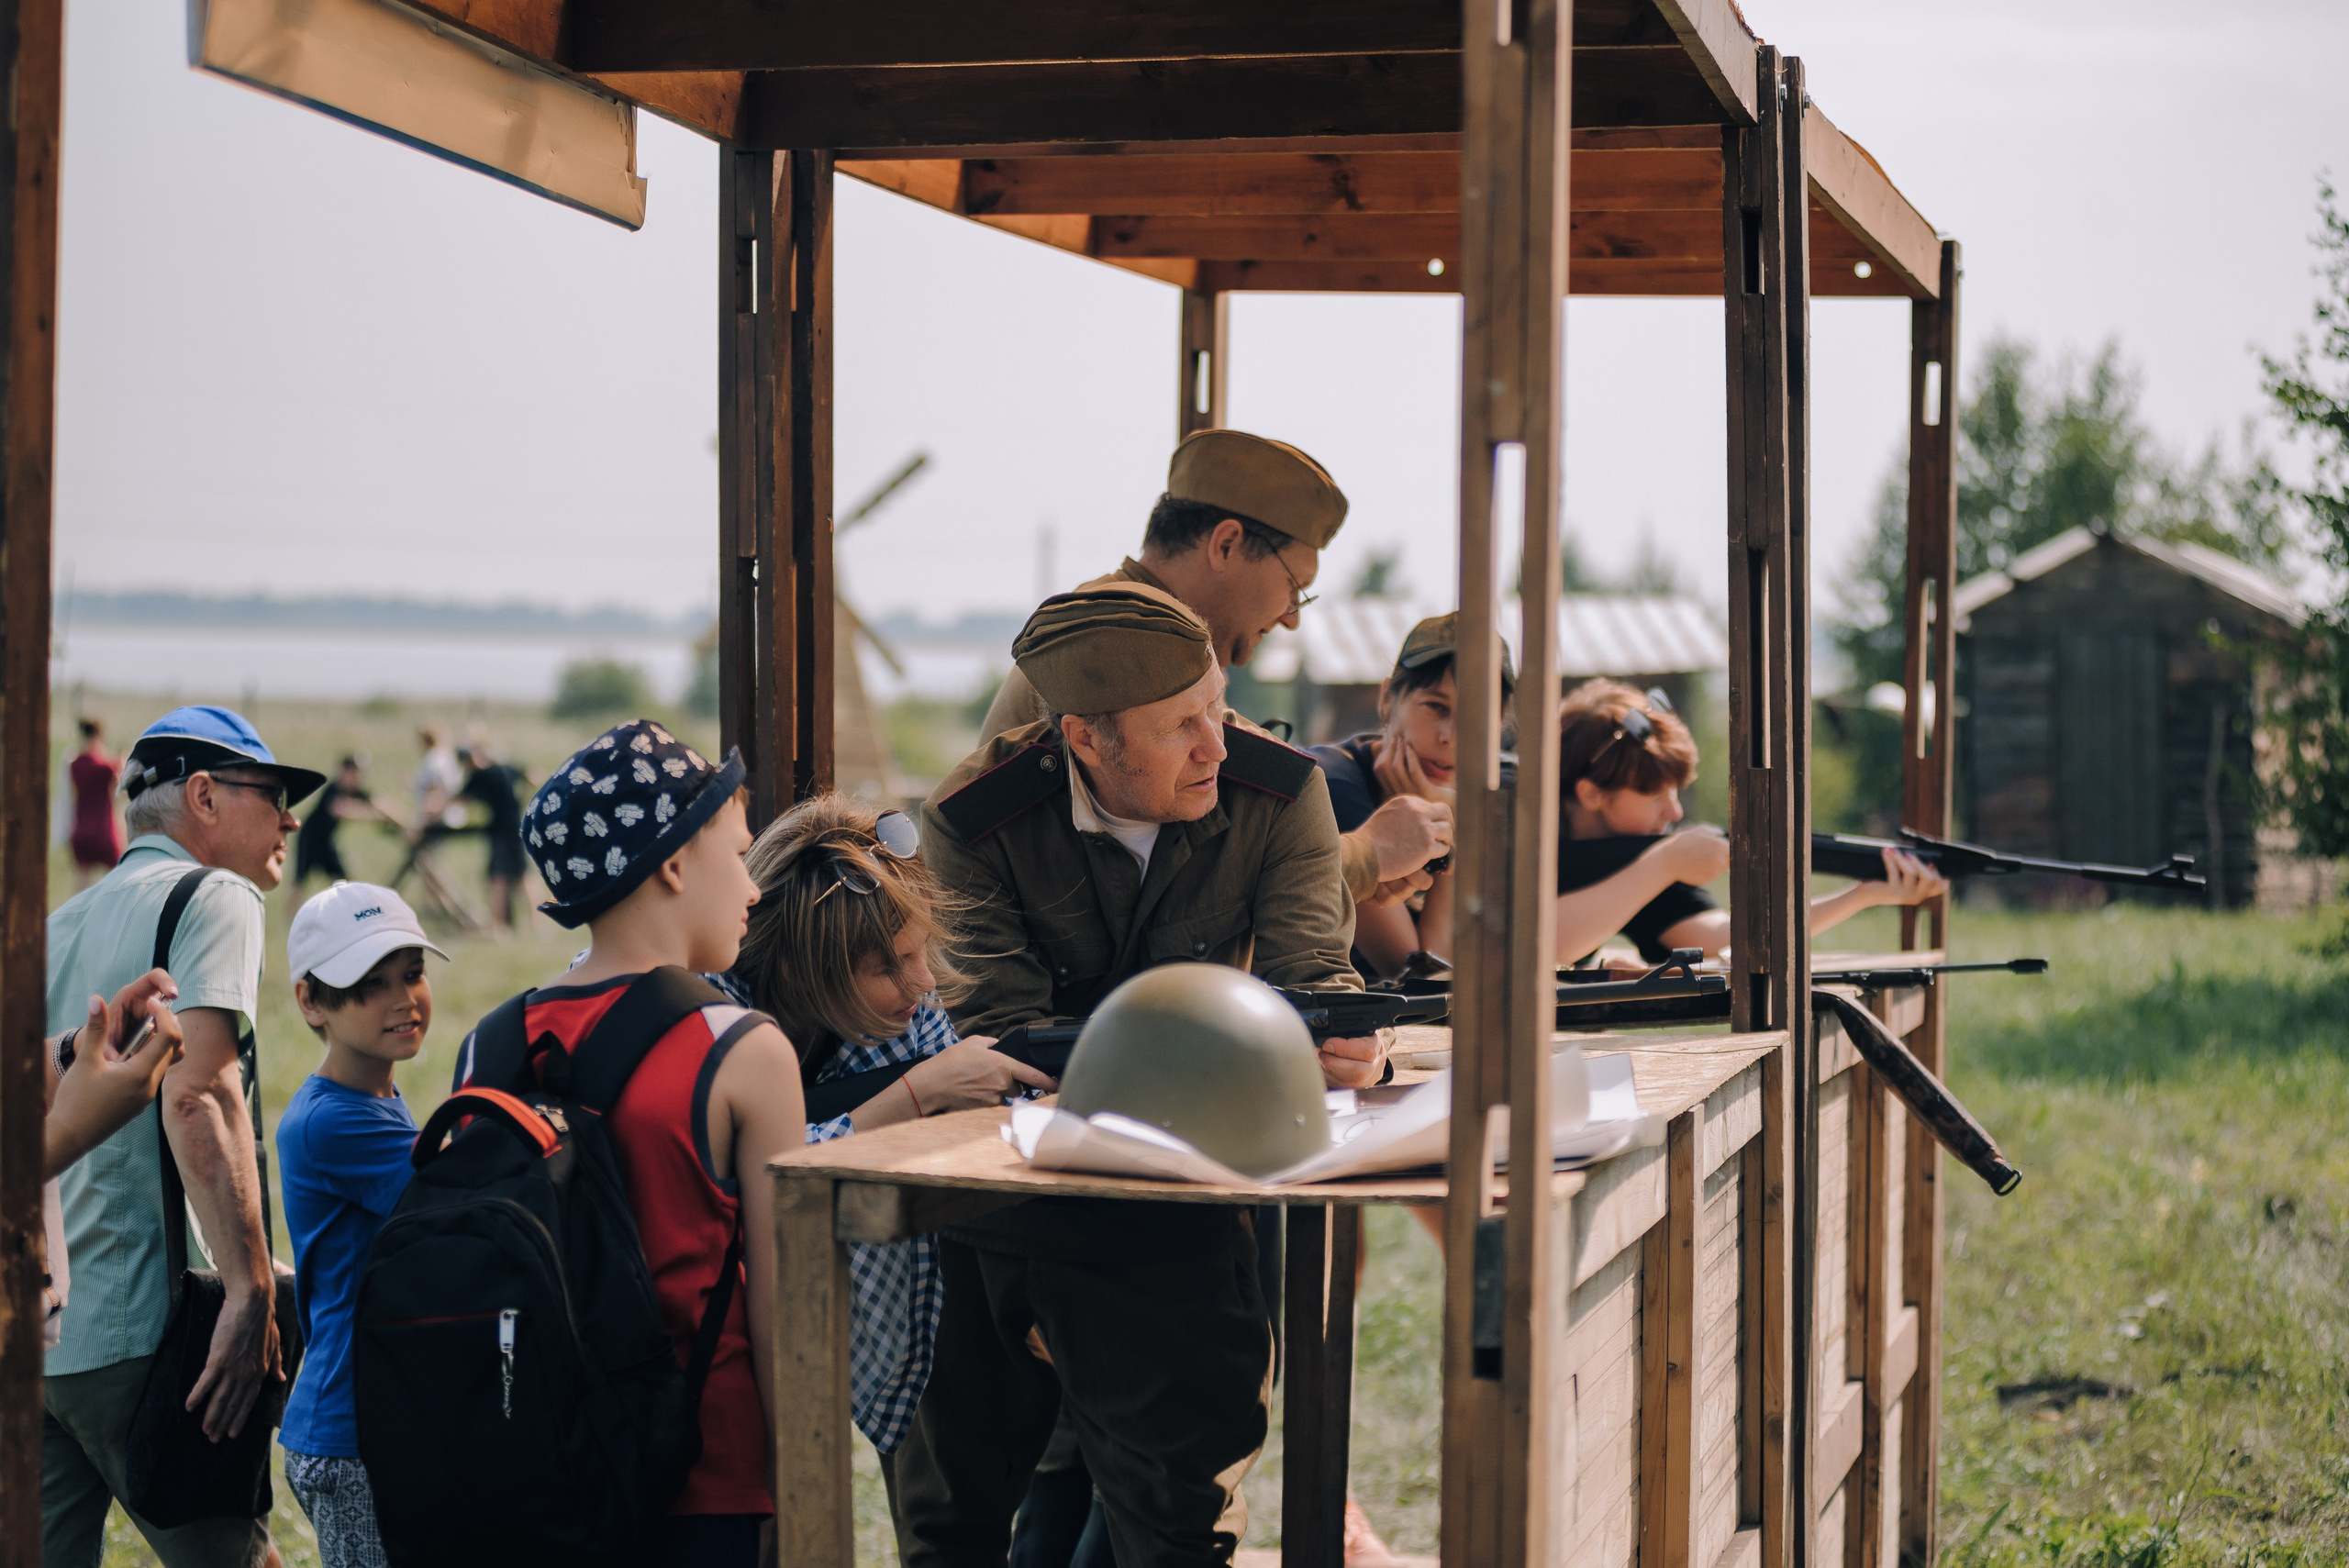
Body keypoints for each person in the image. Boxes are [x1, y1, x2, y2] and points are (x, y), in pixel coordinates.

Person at [896, 584, 1383, 1568]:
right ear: (1084, 737)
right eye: (1182, 726)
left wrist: (1346, 1041)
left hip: (1195, 1191)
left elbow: (1314, 982)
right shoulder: (974, 820)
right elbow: (999, 1037)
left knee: (1178, 1510)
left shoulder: (1279, 792)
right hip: (1011, 1185)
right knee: (952, 1512)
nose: (1217, 743)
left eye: (1218, 705)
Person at [460, 719, 806, 1567]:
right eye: (738, 850)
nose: (754, 885)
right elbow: (785, 1310)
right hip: (705, 1482)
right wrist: (800, 1496)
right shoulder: (745, 1050)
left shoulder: (492, 1042)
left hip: (537, 1477)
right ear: (674, 863)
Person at [43, 705, 322, 1568]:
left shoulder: (56, 922)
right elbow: (199, 1092)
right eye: (271, 794)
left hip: (43, 1331)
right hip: (144, 1332)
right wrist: (249, 1294)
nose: (289, 820)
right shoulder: (218, 895)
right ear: (202, 795)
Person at [977, 428, 1453, 913]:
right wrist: (1366, 855)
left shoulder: (1130, 639)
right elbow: (1185, 889)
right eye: (1296, 587)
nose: (1292, 618)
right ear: (1226, 544)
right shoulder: (1116, 655)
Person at [720, 794, 1050, 1462]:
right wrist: (917, 1091)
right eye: (888, 965)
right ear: (797, 968)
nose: (924, 980)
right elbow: (760, 1173)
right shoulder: (713, 1012)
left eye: (920, 949)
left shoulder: (912, 1009)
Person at [275, 883, 450, 1568]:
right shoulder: (334, 1120)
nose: (404, 998)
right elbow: (458, 1201)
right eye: (370, 984)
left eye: (412, 972)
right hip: (352, 1430)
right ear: (310, 1000)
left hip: (374, 1414)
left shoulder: (371, 1096)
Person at [1552, 680, 1948, 962]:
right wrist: (1664, 863)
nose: (1674, 813)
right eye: (1655, 795)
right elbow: (1546, 943)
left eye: (1675, 792)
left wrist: (1864, 894)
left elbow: (1727, 939)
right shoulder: (1509, 828)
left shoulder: (1641, 850)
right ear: (1590, 794)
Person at [1308, 611, 1519, 982]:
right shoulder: (1331, 785)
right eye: (1436, 707)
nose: (1451, 736)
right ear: (1388, 699)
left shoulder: (1503, 787)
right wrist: (1449, 823)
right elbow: (1426, 971)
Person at [295, 757, 397, 890]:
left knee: (343, 880)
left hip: (326, 842)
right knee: (299, 881)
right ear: (345, 771)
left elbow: (379, 802)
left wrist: (402, 823)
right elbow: (340, 810)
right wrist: (372, 816)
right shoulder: (334, 789)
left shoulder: (356, 790)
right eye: (353, 772)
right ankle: (292, 911)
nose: (357, 776)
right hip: (309, 838)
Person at [457, 744, 529, 930]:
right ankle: (538, 923)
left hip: (499, 830)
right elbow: (533, 776)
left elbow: (460, 800)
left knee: (497, 876)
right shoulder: (505, 767)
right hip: (518, 826)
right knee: (522, 874)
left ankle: (499, 923)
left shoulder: (480, 774)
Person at [68, 718, 124, 890]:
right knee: (114, 885)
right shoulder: (107, 767)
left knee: (81, 888)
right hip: (104, 829)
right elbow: (118, 792)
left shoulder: (75, 765)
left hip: (81, 828)